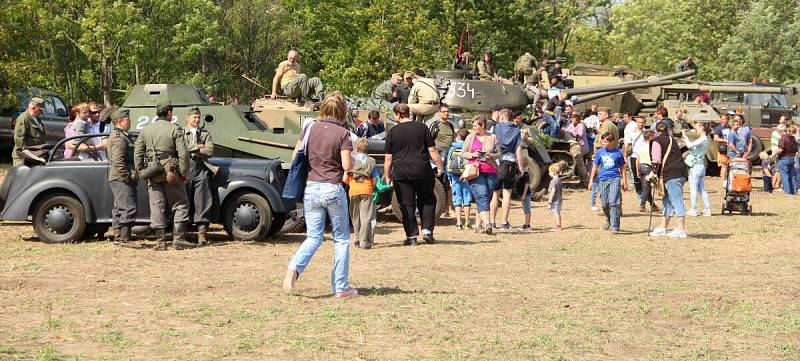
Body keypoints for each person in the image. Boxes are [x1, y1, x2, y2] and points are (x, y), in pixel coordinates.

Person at [283, 92, 357, 298]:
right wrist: (355, 162)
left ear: (322, 108)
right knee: (341, 239)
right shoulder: (343, 134)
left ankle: (294, 268)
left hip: (311, 188)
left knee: (313, 237)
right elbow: (346, 165)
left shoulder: (309, 128)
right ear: (342, 111)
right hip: (332, 188)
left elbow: (295, 155)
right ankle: (341, 288)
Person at [133, 100, 194, 251]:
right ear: (169, 112)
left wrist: (142, 171)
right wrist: (184, 172)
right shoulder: (175, 129)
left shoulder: (145, 130)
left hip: (153, 172)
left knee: (156, 206)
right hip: (172, 172)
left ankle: (161, 243)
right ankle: (178, 239)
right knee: (180, 203)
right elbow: (183, 153)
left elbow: (137, 153)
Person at [384, 103, 445, 245]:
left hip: (401, 172)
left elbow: (388, 158)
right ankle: (427, 231)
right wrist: (440, 167)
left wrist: (387, 175)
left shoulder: (393, 132)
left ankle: (411, 236)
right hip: (422, 170)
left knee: (406, 204)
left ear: (398, 115)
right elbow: (433, 150)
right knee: (428, 200)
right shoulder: (422, 128)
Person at [184, 107, 218, 245]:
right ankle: (182, 234)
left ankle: (202, 235)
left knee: (202, 202)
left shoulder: (205, 133)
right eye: (194, 117)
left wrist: (192, 148)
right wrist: (198, 147)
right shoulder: (180, 133)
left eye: (199, 117)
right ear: (187, 118)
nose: (197, 120)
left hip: (201, 170)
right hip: (185, 170)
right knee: (183, 202)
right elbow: (180, 148)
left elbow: (210, 151)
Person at [648, 122, 689, 238]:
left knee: (676, 200)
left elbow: (656, 160)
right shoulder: (672, 139)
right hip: (679, 171)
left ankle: (681, 229)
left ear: (656, 131)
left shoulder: (657, 141)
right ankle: (663, 227)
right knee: (667, 201)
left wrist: (652, 174)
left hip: (671, 173)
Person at [107, 109, 141, 249]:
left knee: (119, 207)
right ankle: (124, 239)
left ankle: (118, 237)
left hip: (118, 177)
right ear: (120, 122)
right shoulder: (119, 138)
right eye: (127, 120)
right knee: (128, 207)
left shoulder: (121, 136)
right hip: (121, 178)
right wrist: (127, 177)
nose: (130, 122)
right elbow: (118, 161)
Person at [462, 116, 498, 235]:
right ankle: (488, 224)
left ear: (483, 126)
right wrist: (473, 154)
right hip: (475, 171)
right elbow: (463, 153)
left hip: (491, 171)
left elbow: (500, 153)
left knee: (485, 198)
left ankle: (478, 225)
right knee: (482, 195)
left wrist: (492, 155)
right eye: (473, 126)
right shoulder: (470, 137)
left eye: (476, 126)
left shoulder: (492, 137)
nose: (474, 128)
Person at [490, 108, 524, 230]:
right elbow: (518, 150)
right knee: (507, 193)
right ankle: (504, 222)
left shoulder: (496, 127)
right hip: (509, 163)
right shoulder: (516, 130)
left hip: (496, 163)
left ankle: (492, 222)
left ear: (503, 117)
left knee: (495, 194)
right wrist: (520, 168)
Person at [588, 132, 627, 233]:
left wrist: (624, 181)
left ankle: (615, 226)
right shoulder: (600, 152)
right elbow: (595, 166)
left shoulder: (618, 153)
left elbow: (622, 168)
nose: (603, 143)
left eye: (605, 141)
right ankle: (608, 219)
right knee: (605, 204)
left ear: (612, 142)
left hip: (615, 179)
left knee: (614, 202)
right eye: (603, 141)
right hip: (602, 179)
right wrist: (591, 180)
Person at [345, 138, 379, 249]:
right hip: (366, 189)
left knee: (355, 217)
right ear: (367, 149)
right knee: (366, 217)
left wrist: (353, 184)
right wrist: (371, 188)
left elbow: (345, 179)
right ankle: (364, 242)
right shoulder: (371, 161)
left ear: (356, 148)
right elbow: (375, 179)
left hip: (354, 189)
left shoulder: (351, 159)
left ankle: (357, 239)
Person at [427, 104, 456, 216]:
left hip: (449, 155)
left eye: (447, 112)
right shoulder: (435, 125)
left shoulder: (450, 125)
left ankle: (449, 208)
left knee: (448, 182)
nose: (446, 113)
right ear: (439, 113)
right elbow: (429, 141)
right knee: (438, 181)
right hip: (437, 156)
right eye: (444, 111)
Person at [682, 120, 711, 217]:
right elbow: (693, 149)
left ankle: (693, 209)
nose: (696, 130)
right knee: (701, 189)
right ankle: (707, 209)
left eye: (697, 128)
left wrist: (685, 137)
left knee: (693, 188)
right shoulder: (705, 139)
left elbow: (689, 145)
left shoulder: (703, 139)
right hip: (700, 166)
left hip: (696, 167)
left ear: (702, 128)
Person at [446, 128, 473, 230]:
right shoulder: (469, 148)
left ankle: (458, 222)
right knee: (467, 198)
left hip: (454, 175)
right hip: (466, 175)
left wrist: (449, 178)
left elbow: (448, 164)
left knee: (457, 198)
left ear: (457, 136)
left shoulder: (452, 148)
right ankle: (467, 222)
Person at [12, 97, 46, 166]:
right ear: (33, 108)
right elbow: (19, 139)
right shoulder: (23, 118)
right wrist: (27, 154)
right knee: (22, 176)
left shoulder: (37, 119)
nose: (42, 112)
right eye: (40, 110)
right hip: (23, 157)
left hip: (34, 155)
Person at [564, 111, 590, 185]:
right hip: (574, 146)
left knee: (580, 163)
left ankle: (585, 180)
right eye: (571, 118)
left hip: (582, 146)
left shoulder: (581, 125)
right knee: (577, 162)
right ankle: (580, 178)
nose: (572, 120)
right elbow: (566, 130)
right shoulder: (571, 124)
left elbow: (580, 134)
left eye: (573, 118)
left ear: (577, 119)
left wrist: (572, 131)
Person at [636, 130, 659, 213]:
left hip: (641, 166)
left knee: (646, 187)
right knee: (646, 188)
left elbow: (637, 159)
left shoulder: (641, 146)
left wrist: (637, 169)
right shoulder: (652, 147)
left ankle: (653, 206)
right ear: (650, 137)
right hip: (648, 168)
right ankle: (642, 205)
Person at [623, 115, 646, 199]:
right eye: (639, 122)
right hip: (634, 156)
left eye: (642, 122)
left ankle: (645, 192)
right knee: (636, 175)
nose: (641, 124)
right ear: (636, 123)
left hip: (644, 157)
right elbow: (627, 146)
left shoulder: (646, 133)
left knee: (644, 175)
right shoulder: (632, 133)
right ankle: (639, 192)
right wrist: (625, 157)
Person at [774, 124, 798, 195]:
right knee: (792, 175)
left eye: (778, 132)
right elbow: (796, 149)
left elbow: (780, 150)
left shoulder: (783, 138)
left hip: (784, 158)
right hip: (792, 158)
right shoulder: (793, 138)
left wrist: (774, 153)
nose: (779, 134)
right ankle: (794, 191)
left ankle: (787, 192)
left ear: (781, 131)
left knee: (784, 175)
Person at [713, 114, 732, 188]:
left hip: (730, 149)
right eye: (722, 119)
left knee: (730, 166)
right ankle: (724, 182)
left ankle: (729, 181)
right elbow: (715, 138)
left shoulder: (731, 128)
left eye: (724, 119)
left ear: (728, 120)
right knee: (724, 166)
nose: (723, 121)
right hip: (723, 149)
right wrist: (725, 140)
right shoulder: (718, 128)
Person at [547, 162, 564, 231]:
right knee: (558, 212)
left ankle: (558, 226)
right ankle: (558, 225)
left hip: (555, 200)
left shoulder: (553, 181)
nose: (549, 173)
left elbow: (553, 191)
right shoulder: (559, 180)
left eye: (549, 172)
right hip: (559, 199)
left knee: (556, 212)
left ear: (553, 172)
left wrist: (550, 200)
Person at [518, 155, 533, 231]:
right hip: (523, 194)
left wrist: (524, 195)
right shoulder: (521, 173)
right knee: (525, 209)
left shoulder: (526, 174)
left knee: (527, 209)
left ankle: (527, 224)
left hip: (526, 194)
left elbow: (527, 185)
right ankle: (527, 224)